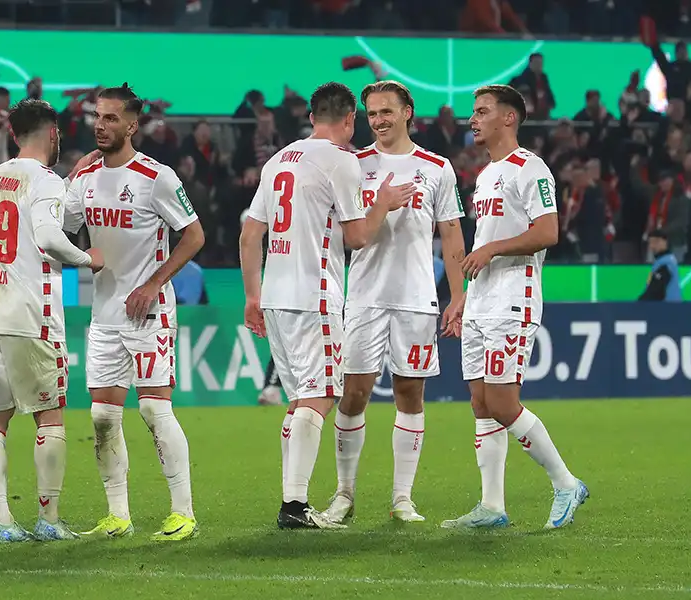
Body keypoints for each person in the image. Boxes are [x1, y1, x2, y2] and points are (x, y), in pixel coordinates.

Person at [239, 81, 414, 529]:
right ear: (350, 119)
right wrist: (383, 203)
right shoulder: (341, 161)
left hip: (275, 296)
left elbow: (250, 233)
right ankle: (294, 507)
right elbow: (356, 236)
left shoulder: (280, 158)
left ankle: (292, 500)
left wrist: (252, 296)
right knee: (319, 397)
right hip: (313, 295)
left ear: (313, 116)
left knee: (300, 400)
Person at [319, 81, 466, 525]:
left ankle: (402, 498)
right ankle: (344, 494)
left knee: (410, 393)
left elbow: (452, 233)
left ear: (407, 112)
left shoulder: (437, 167)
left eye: (387, 111)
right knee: (354, 394)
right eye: (372, 113)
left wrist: (457, 295)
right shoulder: (352, 163)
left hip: (416, 299)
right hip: (363, 297)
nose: (379, 120)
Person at [63, 84, 205, 541]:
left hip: (150, 311)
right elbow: (59, 234)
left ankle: (183, 511)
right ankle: (117, 515)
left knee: (153, 409)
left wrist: (152, 283)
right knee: (102, 417)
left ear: (132, 124)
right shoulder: (84, 179)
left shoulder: (156, 177)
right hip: (104, 313)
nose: (100, 125)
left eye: (109, 118)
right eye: (96, 117)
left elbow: (194, 236)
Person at [442, 84, 588, 530]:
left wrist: (493, 252)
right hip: (483, 299)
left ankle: (566, 484)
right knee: (481, 402)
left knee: (504, 402)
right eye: (473, 111)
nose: (473, 119)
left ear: (509, 118)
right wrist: (463, 296)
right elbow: (483, 245)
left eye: (482, 111)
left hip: (514, 297)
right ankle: (492, 506)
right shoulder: (486, 175)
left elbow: (548, 231)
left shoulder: (532, 169)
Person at [0, 99, 103, 542]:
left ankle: (2, 523)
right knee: (50, 416)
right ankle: (48, 520)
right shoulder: (45, 180)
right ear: (52, 134)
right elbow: (45, 235)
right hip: (30, 314)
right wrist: (87, 258)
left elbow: (2, 231)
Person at [639, 230, 682, 301]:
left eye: (656, 242)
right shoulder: (662, 261)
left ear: (665, 242)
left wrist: (638, 304)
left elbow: (655, 290)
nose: (652, 246)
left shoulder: (666, 263)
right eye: (650, 242)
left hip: (667, 308)